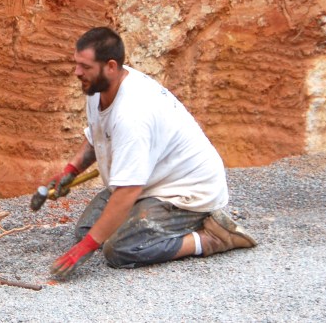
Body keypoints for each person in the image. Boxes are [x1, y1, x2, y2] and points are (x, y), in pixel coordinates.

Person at [46, 27, 256, 279]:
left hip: (185, 190)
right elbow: (97, 136)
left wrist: (85, 249)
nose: (77, 72)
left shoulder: (133, 114)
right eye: (77, 64)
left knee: (120, 250)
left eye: (85, 66)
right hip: (151, 180)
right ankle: (150, 223)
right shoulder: (99, 86)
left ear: (110, 66)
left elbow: (128, 190)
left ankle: (213, 237)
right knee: (87, 231)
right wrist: (71, 171)